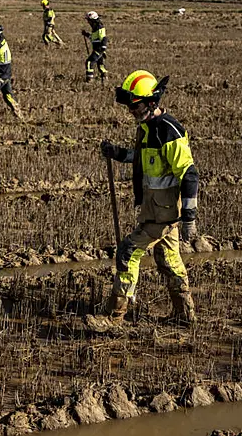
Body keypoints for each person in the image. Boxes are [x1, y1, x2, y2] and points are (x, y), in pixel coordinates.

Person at [84, 70, 199, 333]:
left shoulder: (169, 131)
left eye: (134, 105)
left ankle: (114, 318)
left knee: (127, 251)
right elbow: (142, 158)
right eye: (129, 106)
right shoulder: (148, 129)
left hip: (164, 214)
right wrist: (117, 153)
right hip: (155, 209)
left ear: (151, 102)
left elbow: (189, 175)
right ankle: (185, 314)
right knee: (168, 258)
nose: (130, 111)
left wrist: (190, 217)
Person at [82, 11, 107, 82]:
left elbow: (104, 38)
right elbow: (93, 38)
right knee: (100, 65)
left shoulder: (99, 27)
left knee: (89, 62)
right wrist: (86, 34)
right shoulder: (95, 28)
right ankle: (104, 77)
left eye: (89, 20)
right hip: (98, 49)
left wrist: (103, 48)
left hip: (99, 49)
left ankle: (89, 79)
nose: (88, 22)